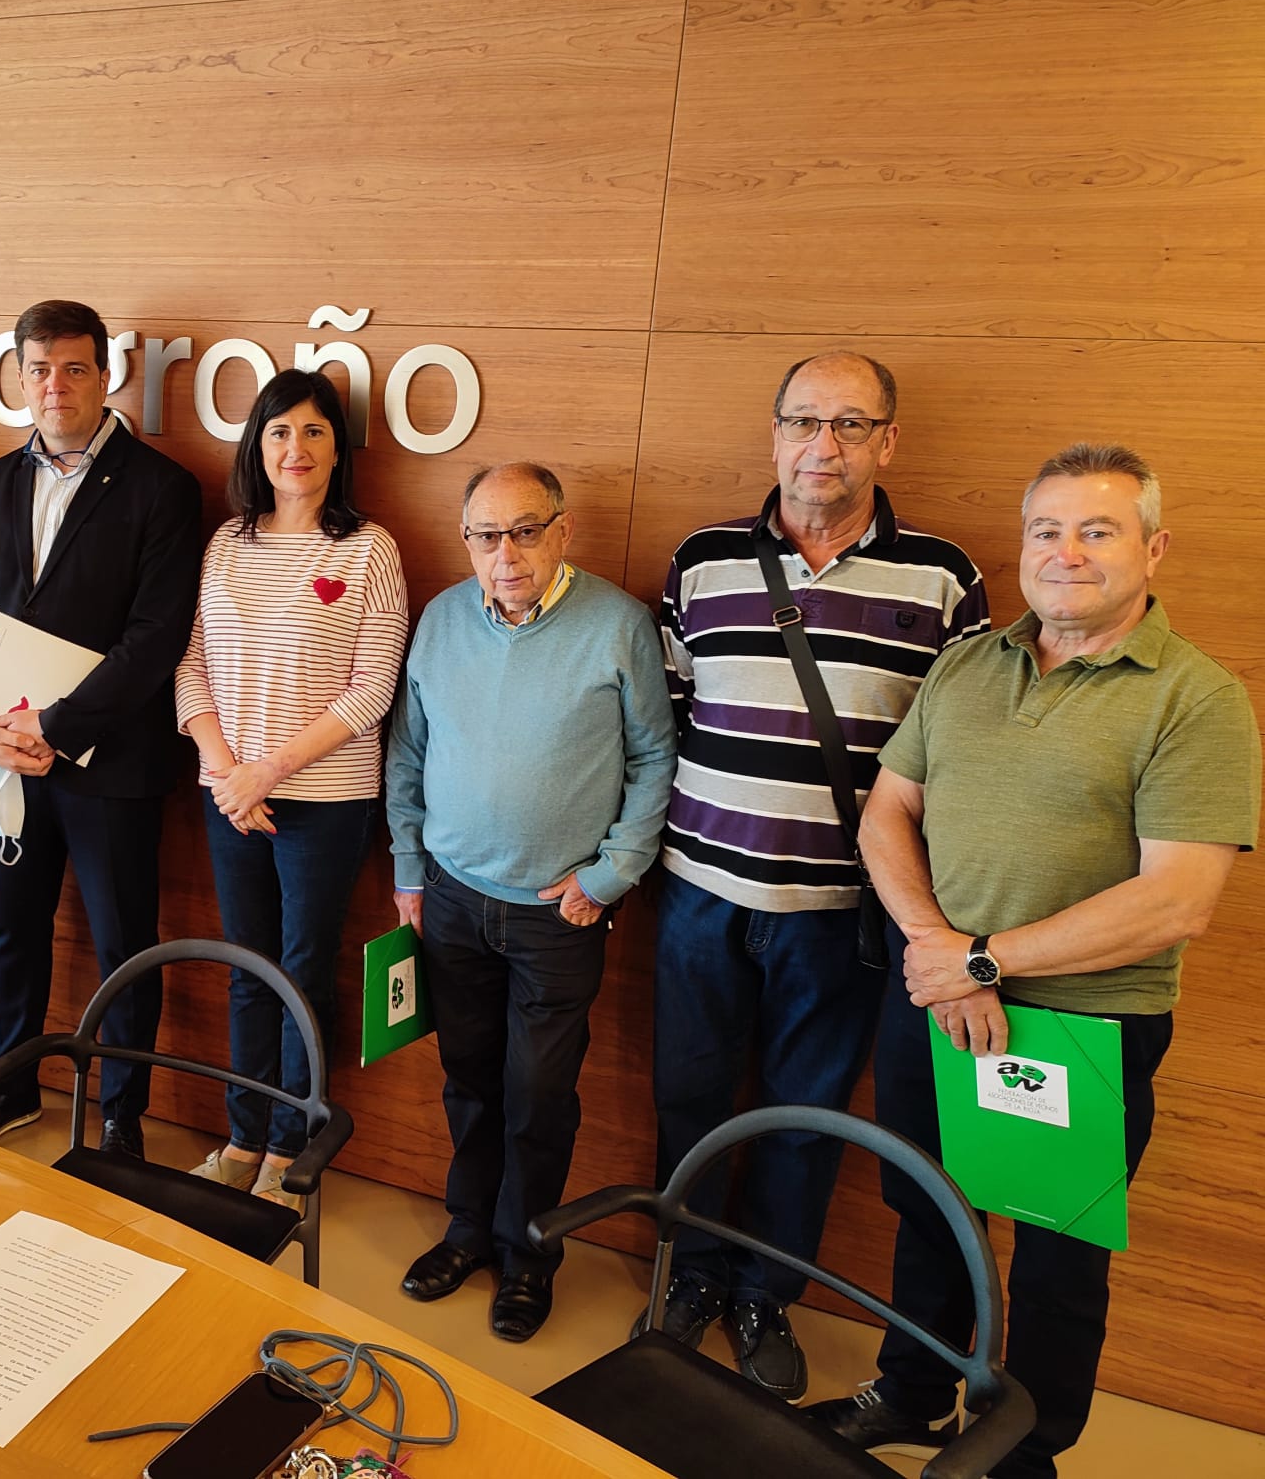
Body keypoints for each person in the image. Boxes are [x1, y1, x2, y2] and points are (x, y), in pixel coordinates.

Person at [810, 443, 1259, 1477]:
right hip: (930, 996)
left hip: (1073, 1026)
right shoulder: (968, 661)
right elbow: (888, 810)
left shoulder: (1193, 699)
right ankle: (916, 1394)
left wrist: (981, 962)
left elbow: (1177, 901)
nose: (1064, 553)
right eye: (1044, 531)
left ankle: (1021, 1452)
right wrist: (935, 948)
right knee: (921, 1208)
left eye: (1094, 531)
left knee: (1057, 1255)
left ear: (1152, 549)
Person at [649, 351, 988, 1397]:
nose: (821, 444)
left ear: (886, 441)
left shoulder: (943, 578)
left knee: (805, 1113)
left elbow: (958, 763)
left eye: (849, 424)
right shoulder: (700, 561)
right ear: (773, 434)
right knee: (689, 1101)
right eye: (802, 421)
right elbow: (668, 720)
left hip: (842, 917)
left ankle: (765, 1294)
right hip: (699, 894)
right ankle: (688, 1278)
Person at [388, 461, 675, 1342]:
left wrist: (610, 875)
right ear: (466, 539)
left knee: (538, 1095)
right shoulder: (439, 621)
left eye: (523, 531)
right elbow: (405, 752)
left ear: (563, 531)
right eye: (484, 535)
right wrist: (406, 868)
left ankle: (527, 1256)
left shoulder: (620, 625)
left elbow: (656, 760)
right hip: (448, 897)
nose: (503, 553)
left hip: (560, 915)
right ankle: (468, 1232)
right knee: (468, 1082)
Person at [0, 300, 201, 1157]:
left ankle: (122, 1115)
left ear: (105, 375)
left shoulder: (163, 488)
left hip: (109, 763)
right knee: (10, 928)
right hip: (6, 759)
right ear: (19, 376)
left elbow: (155, 638)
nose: (55, 386)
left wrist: (57, 726)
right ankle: (10, 1088)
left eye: (75, 369)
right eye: (39, 369)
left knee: (123, 943)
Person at [176, 369, 408, 1209]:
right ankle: (242, 1135)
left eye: (313, 431)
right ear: (257, 445)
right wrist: (226, 770)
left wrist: (267, 770)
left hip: (325, 797)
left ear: (337, 448)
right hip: (228, 790)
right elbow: (191, 665)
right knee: (247, 967)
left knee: (304, 969)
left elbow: (373, 688)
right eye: (279, 431)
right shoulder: (228, 542)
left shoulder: (368, 548)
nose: (295, 448)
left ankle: (291, 1148)